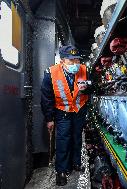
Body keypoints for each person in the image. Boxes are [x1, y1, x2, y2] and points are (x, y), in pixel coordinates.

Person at [41, 45, 90, 186]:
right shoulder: (50, 73)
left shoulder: (84, 70)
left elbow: (94, 88)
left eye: (77, 60)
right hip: (62, 112)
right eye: (71, 61)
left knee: (77, 138)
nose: (75, 64)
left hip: (79, 111)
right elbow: (46, 98)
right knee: (63, 140)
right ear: (62, 61)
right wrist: (49, 118)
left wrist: (87, 89)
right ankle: (61, 170)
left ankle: (76, 163)